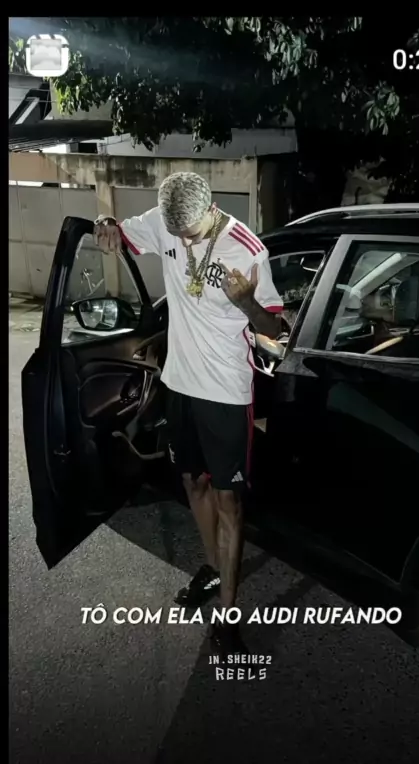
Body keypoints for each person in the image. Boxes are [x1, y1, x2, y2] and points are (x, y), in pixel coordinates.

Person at [93, 172, 283, 656]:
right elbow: (120, 233)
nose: (183, 241)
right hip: (179, 384)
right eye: (175, 234)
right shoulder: (165, 222)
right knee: (192, 483)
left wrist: (247, 303)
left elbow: (275, 328)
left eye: (191, 233)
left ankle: (229, 611)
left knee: (229, 501)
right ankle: (213, 568)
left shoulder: (246, 249)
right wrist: (105, 220)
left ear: (210, 209)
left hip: (225, 392)